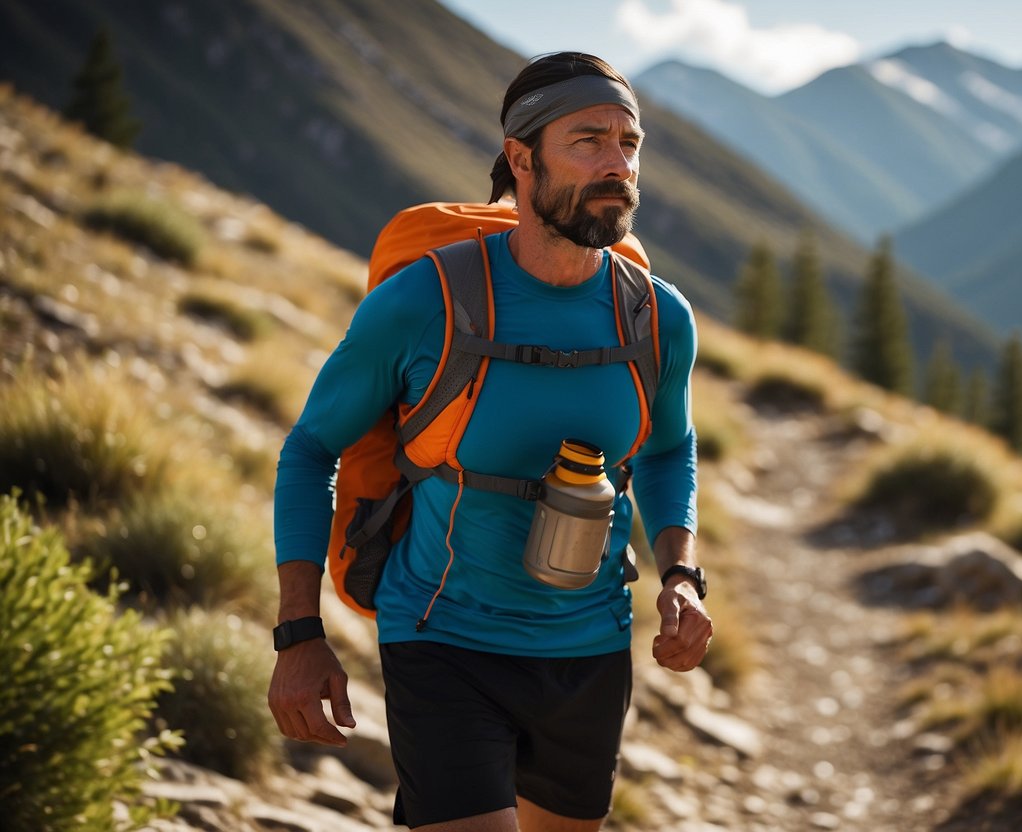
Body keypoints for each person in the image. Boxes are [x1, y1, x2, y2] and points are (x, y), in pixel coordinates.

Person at [268, 51, 711, 831]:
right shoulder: (423, 302)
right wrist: (299, 634)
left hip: (589, 647)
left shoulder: (656, 316)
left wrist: (678, 574)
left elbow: (670, 448)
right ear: (520, 157)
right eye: (587, 141)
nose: (618, 165)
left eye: (629, 142)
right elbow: (310, 451)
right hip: (441, 637)